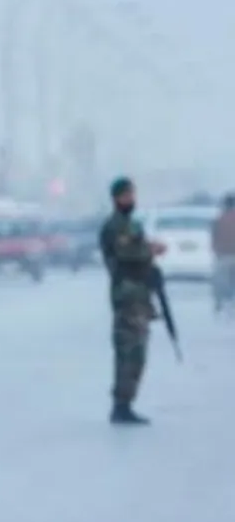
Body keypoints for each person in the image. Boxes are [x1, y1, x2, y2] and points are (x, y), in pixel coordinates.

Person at [98, 177, 166, 425]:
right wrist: (151, 250)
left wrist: (149, 254)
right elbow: (126, 253)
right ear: (116, 198)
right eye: (126, 195)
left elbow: (137, 247)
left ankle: (125, 403)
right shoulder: (115, 225)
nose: (131, 199)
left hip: (138, 294)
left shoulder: (129, 224)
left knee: (137, 352)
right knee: (129, 351)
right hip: (127, 296)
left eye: (132, 194)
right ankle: (121, 405)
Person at [212, 193, 235, 309]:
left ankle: (219, 304)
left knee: (220, 283)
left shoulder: (219, 219)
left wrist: (216, 251)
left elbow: (214, 237)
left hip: (223, 256)